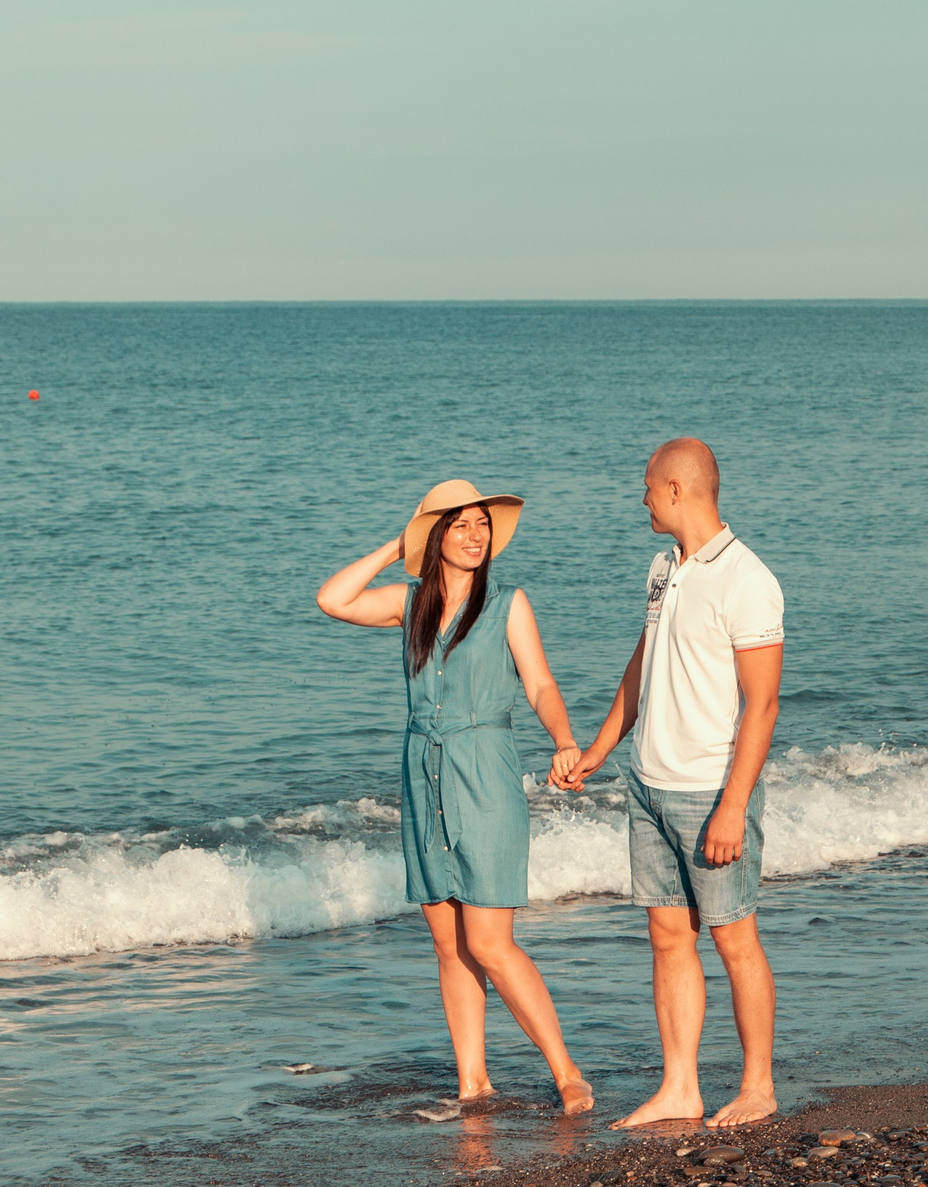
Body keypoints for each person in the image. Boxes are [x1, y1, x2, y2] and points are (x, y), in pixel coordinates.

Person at [317, 479, 597, 1116]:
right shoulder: (409, 603)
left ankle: (567, 1072)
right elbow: (332, 599)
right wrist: (398, 547)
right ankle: (473, 1082)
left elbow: (540, 683)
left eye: (482, 524)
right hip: (423, 774)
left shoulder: (507, 604)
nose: (475, 536)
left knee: (491, 942)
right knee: (448, 944)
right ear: (435, 535)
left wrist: (564, 739)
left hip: (485, 772)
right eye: (460, 525)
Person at [564, 438, 784, 1130]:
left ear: (678, 489)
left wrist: (733, 805)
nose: (643, 498)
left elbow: (763, 705)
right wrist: (601, 748)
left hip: (709, 790)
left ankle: (758, 1086)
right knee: (667, 938)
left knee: (734, 940)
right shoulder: (663, 567)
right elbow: (644, 661)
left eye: (648, 486)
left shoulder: (747, 579)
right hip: (647, 784)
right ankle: (680, 1087)